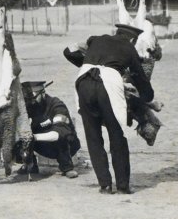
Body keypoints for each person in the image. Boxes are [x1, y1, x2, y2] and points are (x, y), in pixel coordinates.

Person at [64, 23, 154, 195]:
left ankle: (104, 185)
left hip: (83, 81)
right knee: (117, 133)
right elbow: (141, 79)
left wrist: (87, 64)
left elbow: (68, 51)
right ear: (133, 39)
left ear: (116, 32)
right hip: (109, 86)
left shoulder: (96, 40)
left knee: (93, 135)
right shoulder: (129, 48)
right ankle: (122, 186)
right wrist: (147, 98)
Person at [13, 80, 80, 178]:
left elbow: (59, 133)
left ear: (43, 93)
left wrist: (32, 137)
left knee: (63, 137)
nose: (31, 102)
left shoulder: (56, 105)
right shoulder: (28, 107)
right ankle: (30, 165)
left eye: (33, 98)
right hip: (41, 144)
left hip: (66, 145)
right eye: (27, 99)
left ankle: (67, 167)